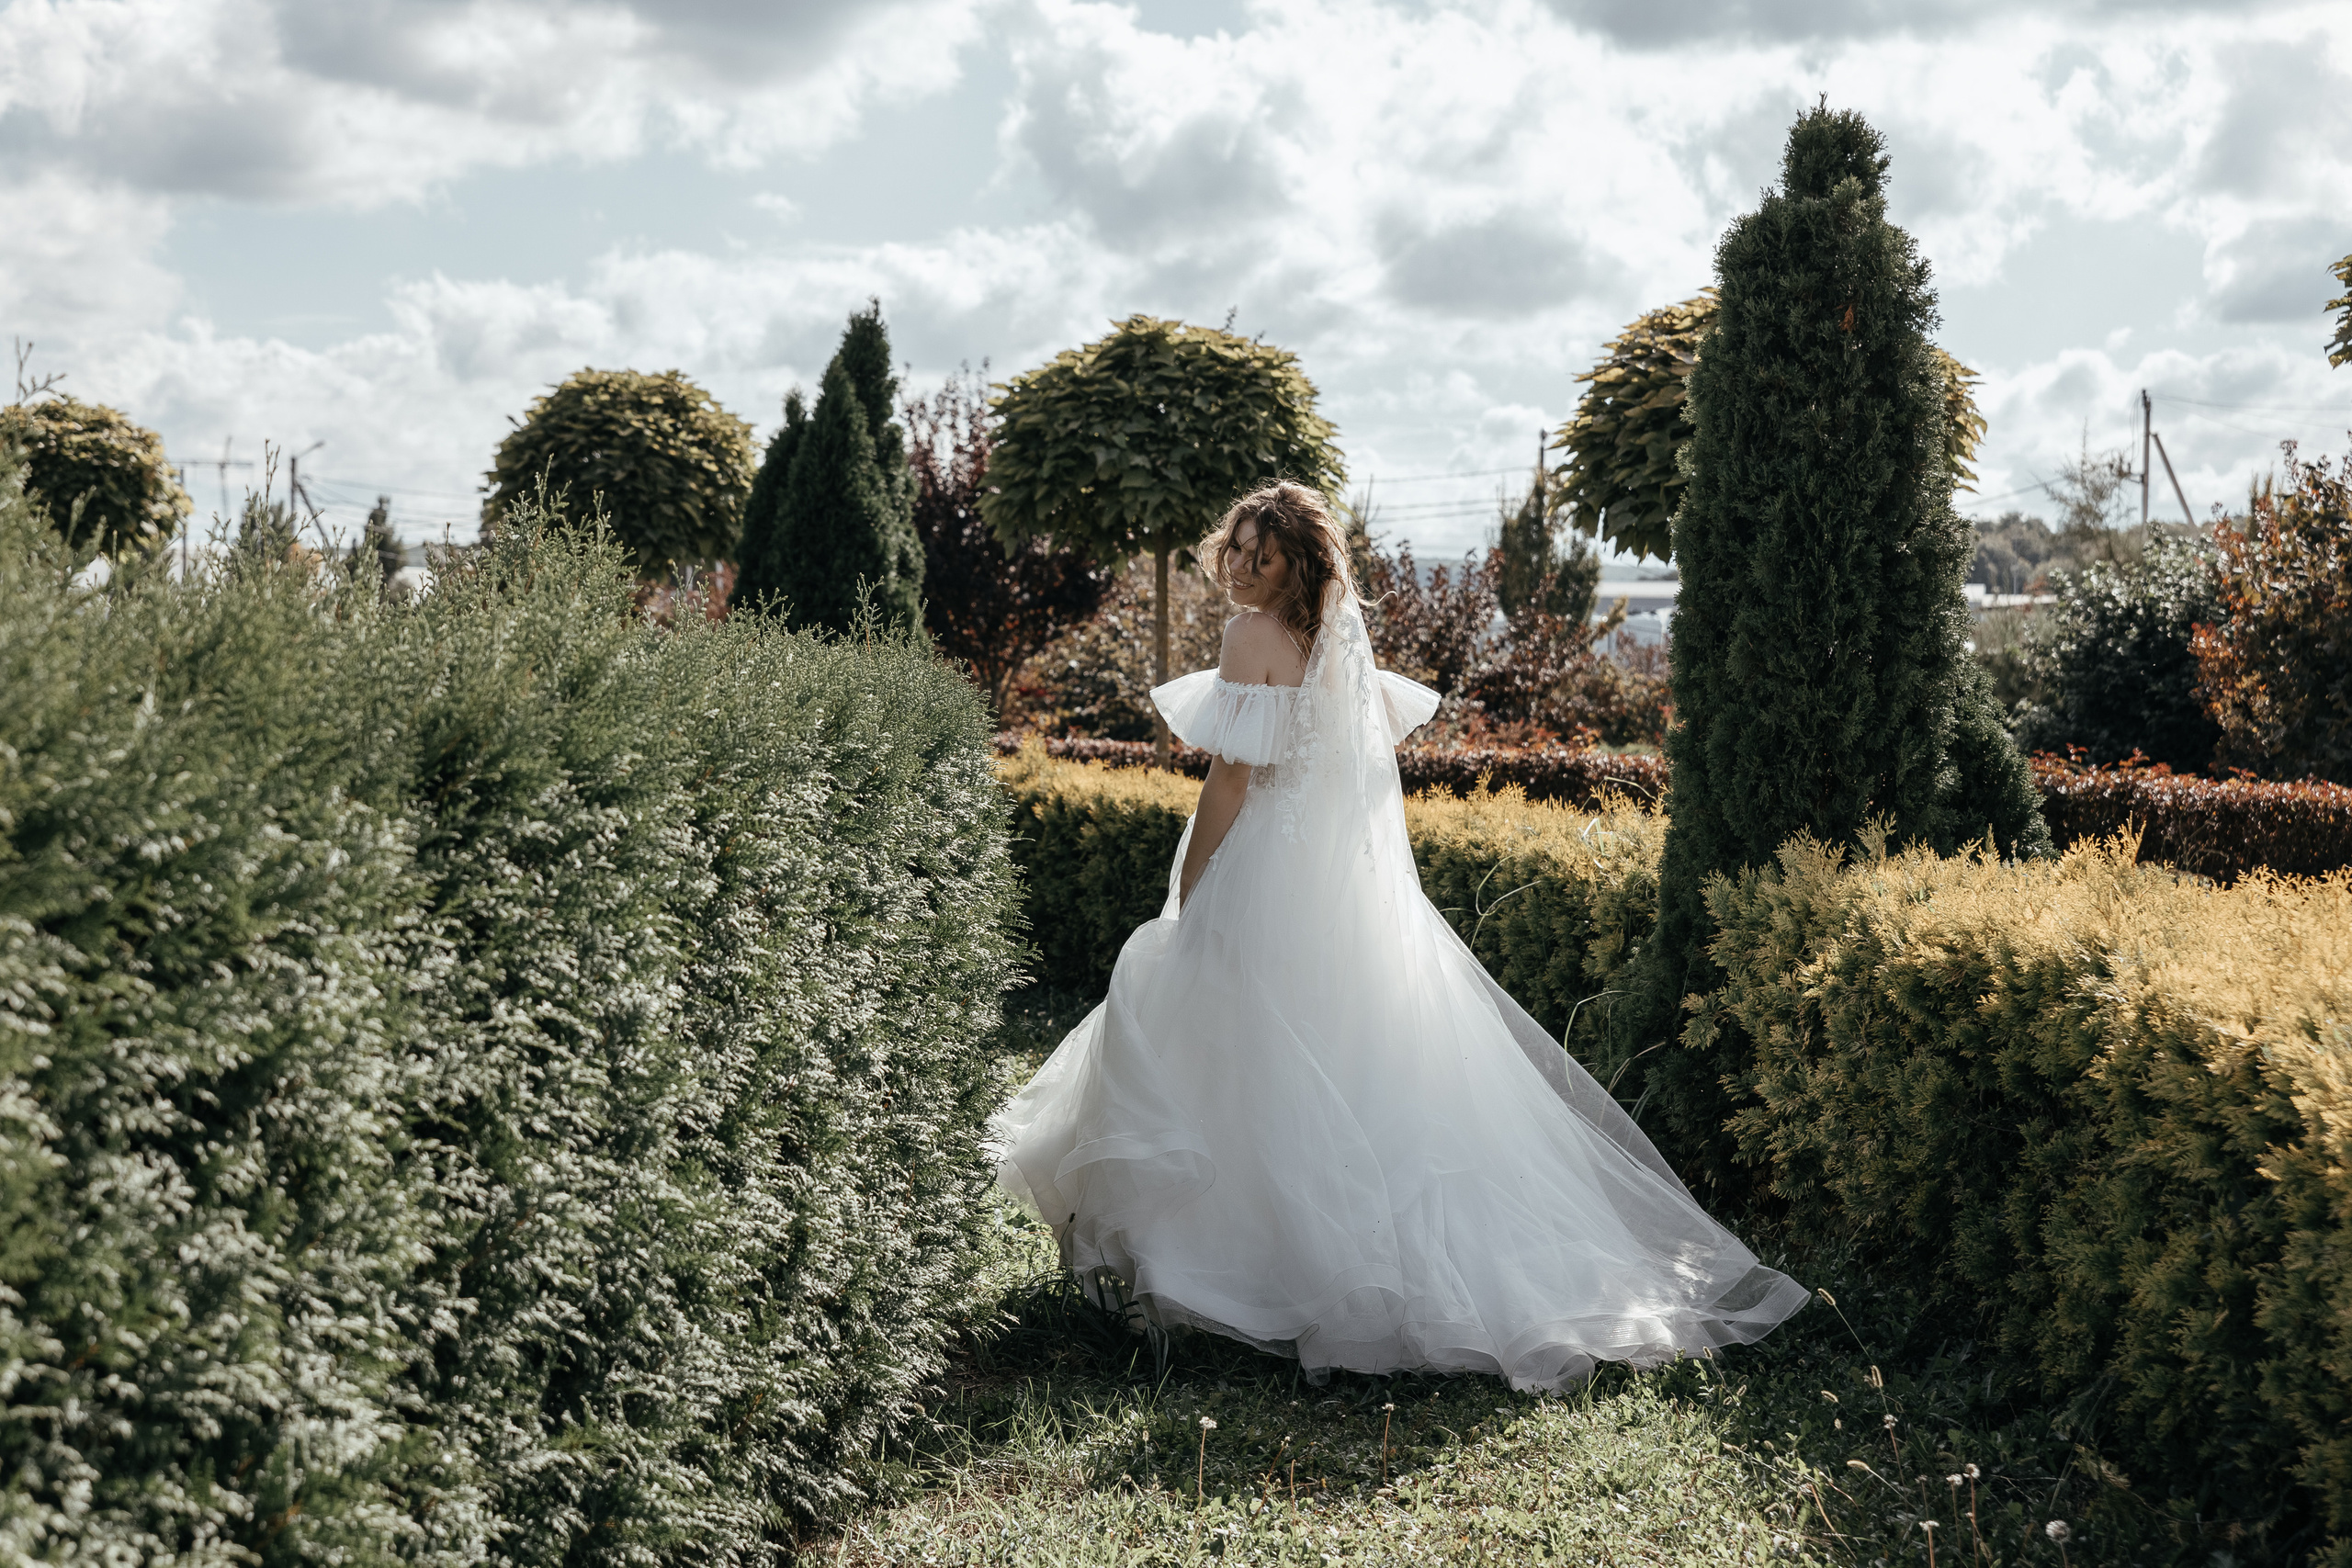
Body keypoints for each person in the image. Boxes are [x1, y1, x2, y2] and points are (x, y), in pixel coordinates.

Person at [990, 480, 1807, 1391]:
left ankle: (1231, 1271)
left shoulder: (1248, 637)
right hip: (1337, 884)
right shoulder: (1334, 645)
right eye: (1239, 551)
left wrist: (1189, 885)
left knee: (1230, 1041)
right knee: (1343, 1059)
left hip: (1265, 868)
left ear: (1298, 565)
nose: (1246, 570)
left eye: (1264, 555)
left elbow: (1229, 780)